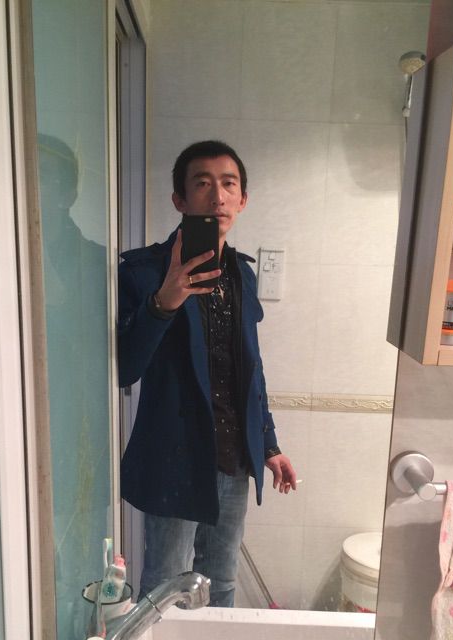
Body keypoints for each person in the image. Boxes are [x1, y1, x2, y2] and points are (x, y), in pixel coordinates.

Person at [118, 140, 297, 607]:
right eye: (202, 184)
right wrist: (164, 301)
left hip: (234, 457)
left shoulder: (242, 275)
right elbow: (125, 369)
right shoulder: (142, 273)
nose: (217, 196)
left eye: (228, 184)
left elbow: (250, 369)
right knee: (164, 586)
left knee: (221, 580)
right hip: (175, 457)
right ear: (179, 200)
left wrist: (269, 443)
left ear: (242, 200)